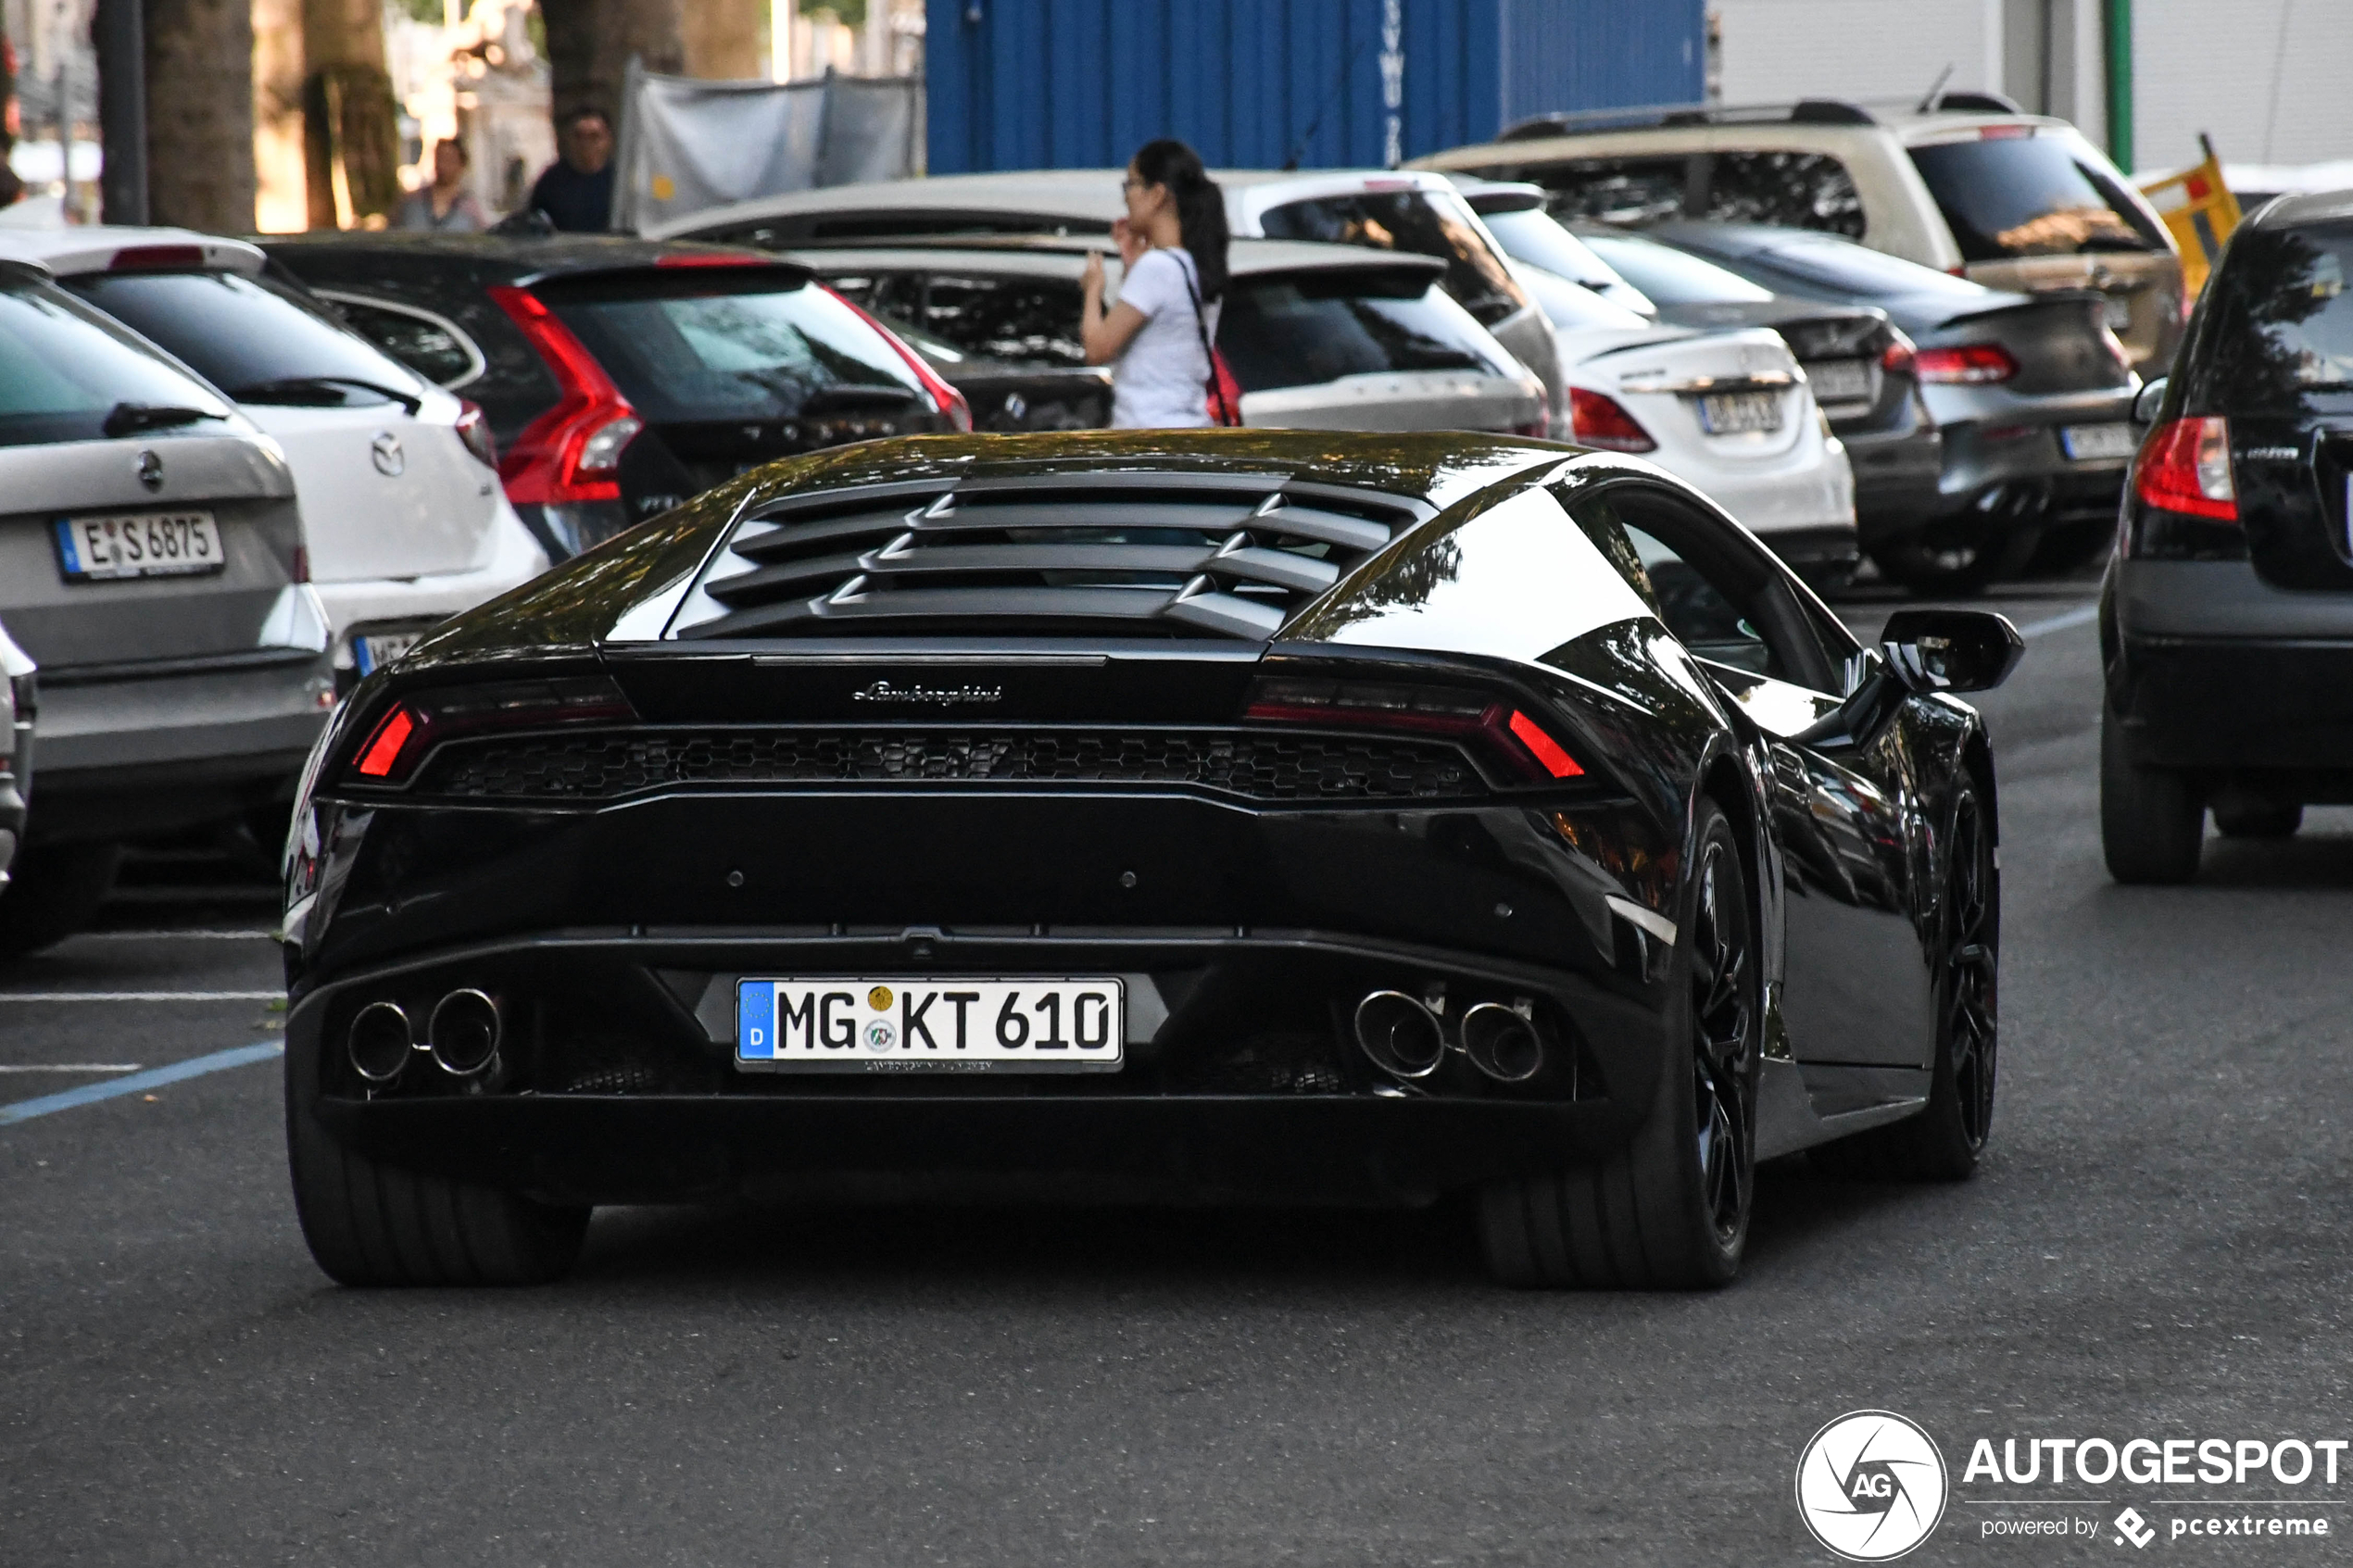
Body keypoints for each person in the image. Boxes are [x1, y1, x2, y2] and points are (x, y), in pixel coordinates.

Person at [1080, 138, 1232, 429]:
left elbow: (1097, 349)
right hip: (1186, 429)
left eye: (1131, 185)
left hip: (1146, 435)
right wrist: (1131, 267)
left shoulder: (1157, 268)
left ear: (1157, 194)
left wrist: (1092, 289)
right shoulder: (1193, 265)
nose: (1126, 197)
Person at [526, 107, 616, 232]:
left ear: (607, 140)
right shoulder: (551, 182)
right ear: (568, 139)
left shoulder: (619, 182)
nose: (586, 144)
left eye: (594, 137)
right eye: (579, 136)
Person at [396, 140, 487, 232]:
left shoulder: (470, 209)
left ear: (461, 165)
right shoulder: (411, 202)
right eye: (439, 158)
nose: (442, 166)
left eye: (449, 160)